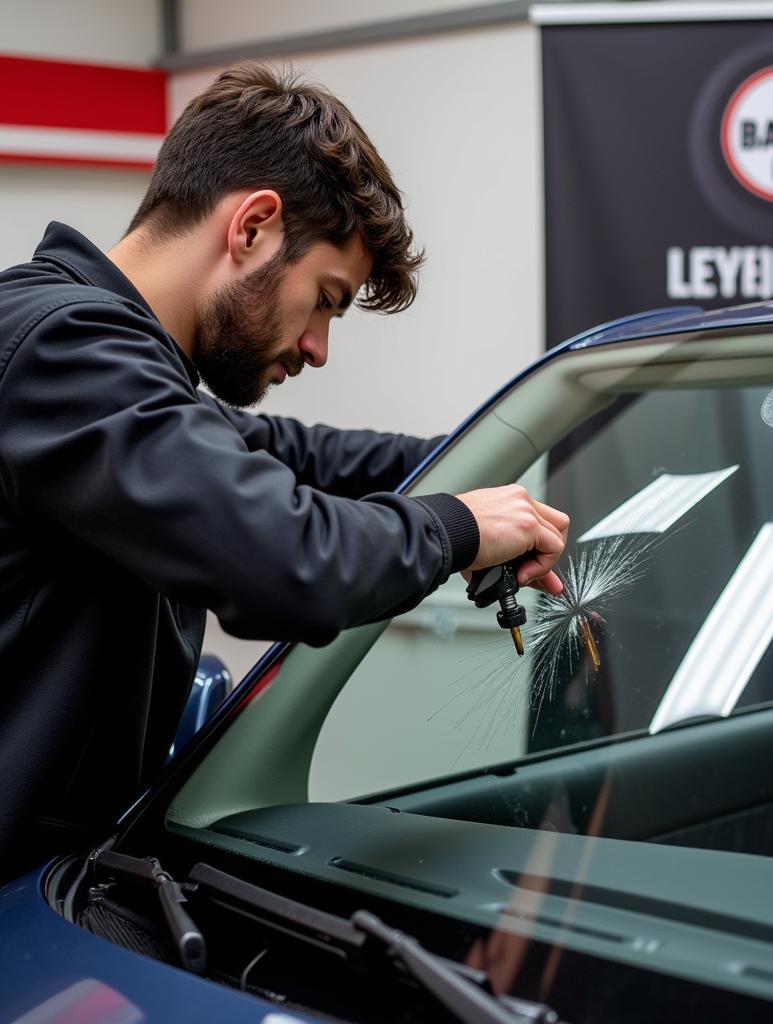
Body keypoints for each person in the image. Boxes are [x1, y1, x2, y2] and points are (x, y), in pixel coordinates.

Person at [0, 62, 568, 880]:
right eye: (326, 300)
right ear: (253, 227)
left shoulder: (116, 367)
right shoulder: (62, 352)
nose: (317, 349)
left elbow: (295, 457)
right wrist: (459, 527)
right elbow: (285, 558)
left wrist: (504, 452)